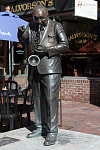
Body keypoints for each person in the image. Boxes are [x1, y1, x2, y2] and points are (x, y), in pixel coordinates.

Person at [18, 4, 69, 146]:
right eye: (36, 18)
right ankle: (40, 127)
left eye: (41, 18)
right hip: (35, 68)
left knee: (51, 99)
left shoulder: (56, 25)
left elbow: (65, 45)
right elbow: (23, 40)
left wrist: (47, 50)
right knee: (38, 99)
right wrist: (20, 33)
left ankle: (52, 132)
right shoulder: (31, 26)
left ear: (47, 15)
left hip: (51, 68)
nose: (39, 21)